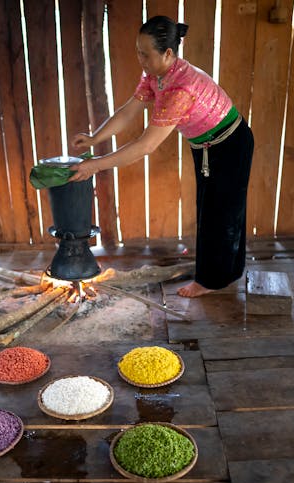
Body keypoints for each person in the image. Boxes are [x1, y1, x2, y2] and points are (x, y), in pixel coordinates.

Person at [69, 15, 254, 298]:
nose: (140, 60)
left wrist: (95, 165)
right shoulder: (156, 75)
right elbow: (130, 110)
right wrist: (96, 138)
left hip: (231, 144)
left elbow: (145, 145)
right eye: (138, 52)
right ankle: (225, 272)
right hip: (207, 146)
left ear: (168, 53)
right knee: (214, 210)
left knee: (222, 213)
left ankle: (211, 280)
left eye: (145, 54)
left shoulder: (181, 88)